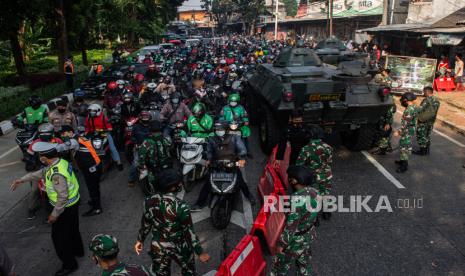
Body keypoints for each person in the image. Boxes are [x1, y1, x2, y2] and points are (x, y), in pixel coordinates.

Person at [11, 142, 84, 276]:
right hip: (74, 203)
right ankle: (78, 250)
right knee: (73, 228)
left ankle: (69, 265)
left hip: (64, 208)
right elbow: (40, 173)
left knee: (59, 238)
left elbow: (62, 196)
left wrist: (54, 214)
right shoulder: (60, 162)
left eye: (40, 155)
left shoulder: (56, 174)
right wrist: (22, 180)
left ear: (44, 157)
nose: (39, 157)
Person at [134, 169, 210, 275]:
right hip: (180, 245)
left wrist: (140, 240)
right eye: (178, 183)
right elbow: (189, 232)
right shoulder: (180, 206)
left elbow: (146, 223)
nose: (180, 184)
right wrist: (200, 252)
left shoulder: (148, 201)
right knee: (189, 272)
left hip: (158, 245)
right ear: (173, 187)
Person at [191, 122, 255, 210]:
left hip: (231, 163)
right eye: (217, 130)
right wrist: (209, 160)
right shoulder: (212, 139)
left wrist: (241, 158)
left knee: (241, 181)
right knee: (207, 183)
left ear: (226, 129)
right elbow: (209, 151)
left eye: (221, 129)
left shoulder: (234, 137)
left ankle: (249, 195)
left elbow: (242, 149)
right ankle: (199, 203)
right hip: (216, 164)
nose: (219, 131)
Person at [272, 165, 319, 276]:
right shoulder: (314, 191)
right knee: (303, 262)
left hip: (296, 240)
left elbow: (291, 227)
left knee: (280, 265)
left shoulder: (296, 199)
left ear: (294, 180)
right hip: (309, 234)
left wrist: (281, 244)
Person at [58, 125, 103, 216]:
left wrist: (49, 148)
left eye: (64, 133)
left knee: (92, 188)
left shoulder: (74, 141)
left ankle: (97, 208)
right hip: (96, 165)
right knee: (95, 187)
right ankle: (94, 201)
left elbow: (63, 147)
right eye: (61, 134)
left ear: (70, 132)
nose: (62, 135)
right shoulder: (79, 137)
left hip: (91, 169)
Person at [295, 126, 332, 219]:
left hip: (313, 176)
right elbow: (329, 162)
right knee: (325, 193)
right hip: (327, 174)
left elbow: (299, 165)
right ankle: (327, 213)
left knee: (313, 196)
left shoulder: (306, 149)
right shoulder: (329, 147)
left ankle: (314, 219)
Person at [137, 121, 173, 195]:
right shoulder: (167, 138)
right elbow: (171, 147)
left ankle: (154, 191)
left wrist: (141, 164)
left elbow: (141, 155)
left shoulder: (147, 142)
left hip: (155, 167)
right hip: (168, 164)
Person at [85, 104, 123, 171]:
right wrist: (86, 132)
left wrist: (106, 129)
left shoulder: (103, 117)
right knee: (88, 149)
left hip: (104, 134)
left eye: (93, 111)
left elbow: (109, 127)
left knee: (112, 148)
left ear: (98, 111)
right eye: (90, 111)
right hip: (93, 135)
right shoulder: (88, 118)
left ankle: (118, 162)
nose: (91, 112)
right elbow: (87, 128)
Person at [393, 92, 418, 173]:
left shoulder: (409, 110)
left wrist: (399, 132)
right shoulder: (413, 107)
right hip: (410, 129)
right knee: (404, 145)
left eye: (403, 100)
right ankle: (402, 160)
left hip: (407, 130)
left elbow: (406, 123)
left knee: (404, 147)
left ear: (406, 100)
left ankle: (404, 166)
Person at [128, 111, 152, 187]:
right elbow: (132, 137)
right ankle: (131, 179)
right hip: (139, 147)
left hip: (151, 147)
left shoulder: (152, 126)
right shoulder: (135, 127)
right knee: (135, 163)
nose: (145, 118)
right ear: (140, 118)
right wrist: (136, 143)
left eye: (146, 116)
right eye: (143, 117)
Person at [414, 86, 440, 156]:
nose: (423, 93)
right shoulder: (436, 100)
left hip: (423, 120)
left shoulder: (426, 100)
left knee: (421, 135)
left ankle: (422, 151)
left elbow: (420, 109)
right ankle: (427, 150)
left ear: (427, 92)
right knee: (427, 135)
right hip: (431, 121)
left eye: (424, 91)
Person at [371, 88, 396, 155]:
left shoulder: (387, 99)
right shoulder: (387, 97)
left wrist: (388, 123)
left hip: (385, 120)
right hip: (383, 119)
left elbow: (390, 111)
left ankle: (382, 150)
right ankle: (386, 147)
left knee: (384, 134)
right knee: (384, 134)